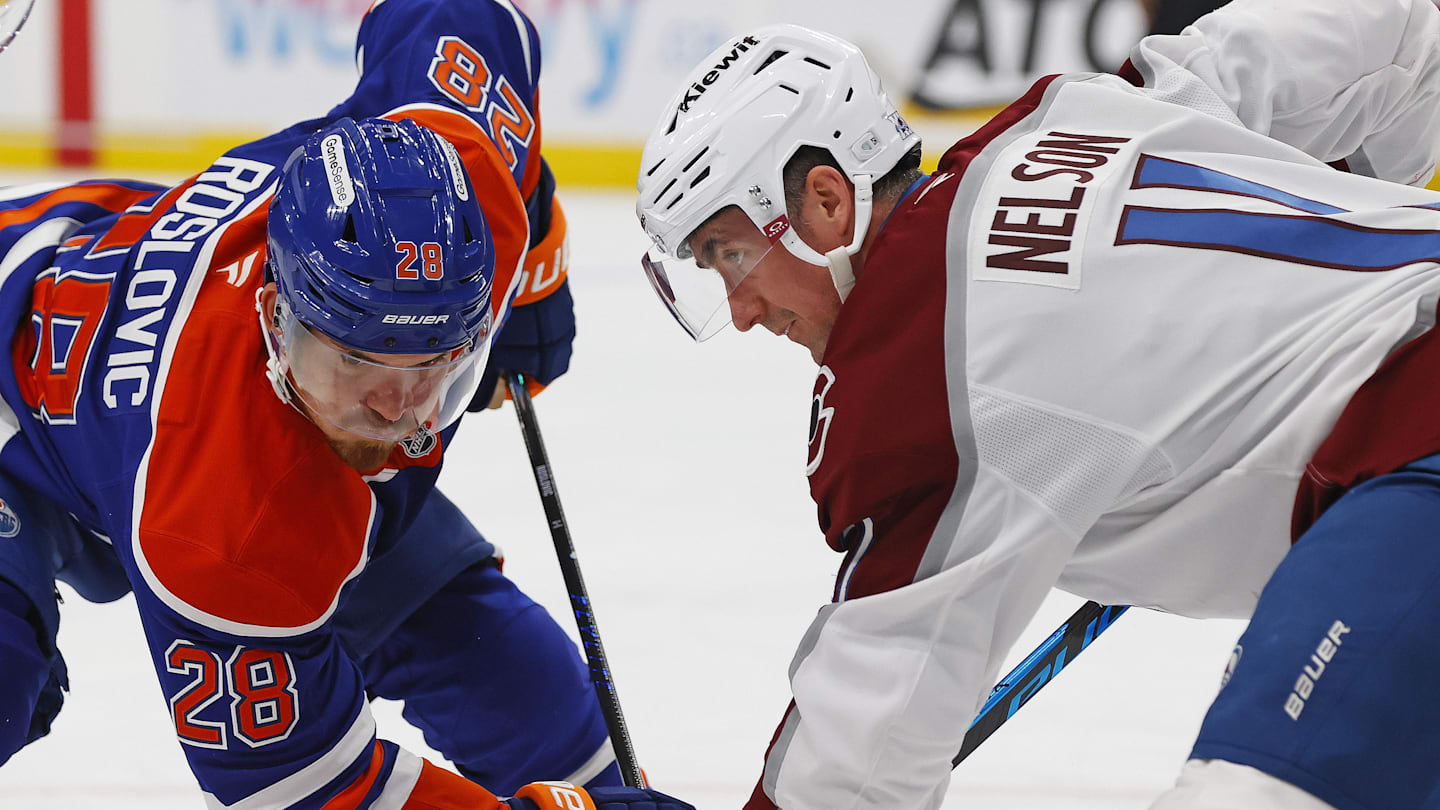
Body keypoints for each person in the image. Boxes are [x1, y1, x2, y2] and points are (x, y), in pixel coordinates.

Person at [636, 0, 1440, 808]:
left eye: (729, 254)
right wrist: (1339, 251)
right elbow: (1394, 32)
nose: (739, 310)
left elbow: (856, 763)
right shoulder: (1082, 114)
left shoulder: (915, 380)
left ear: (825, 201)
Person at [0, 1, 692, 809]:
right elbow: (310, 787)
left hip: (113, 316)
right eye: (353, 363)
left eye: (435, 369)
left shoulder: (471, 194)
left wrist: (535, 239)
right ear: (275, 317)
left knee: (509, 675)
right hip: (38, 395)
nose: (394, 412)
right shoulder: (224, 523)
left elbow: (464, 14)